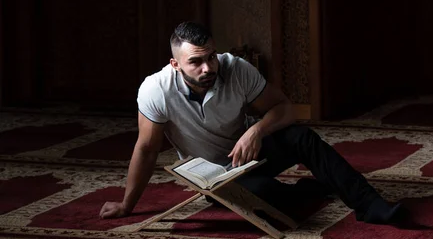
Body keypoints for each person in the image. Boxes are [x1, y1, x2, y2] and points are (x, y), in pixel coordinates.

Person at [99, 21, 408, 225]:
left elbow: (285, 109)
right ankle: (307, 191)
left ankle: (369, 205)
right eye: (195, 62)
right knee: (264, 198)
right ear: (175, 64)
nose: (207, 68)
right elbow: (147, 149)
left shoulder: (236, 69)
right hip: (216, 176)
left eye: (211, 57)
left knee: (301, 137)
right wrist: (127, 205)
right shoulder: (156, 90)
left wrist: (255, 131)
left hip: (253, 154)